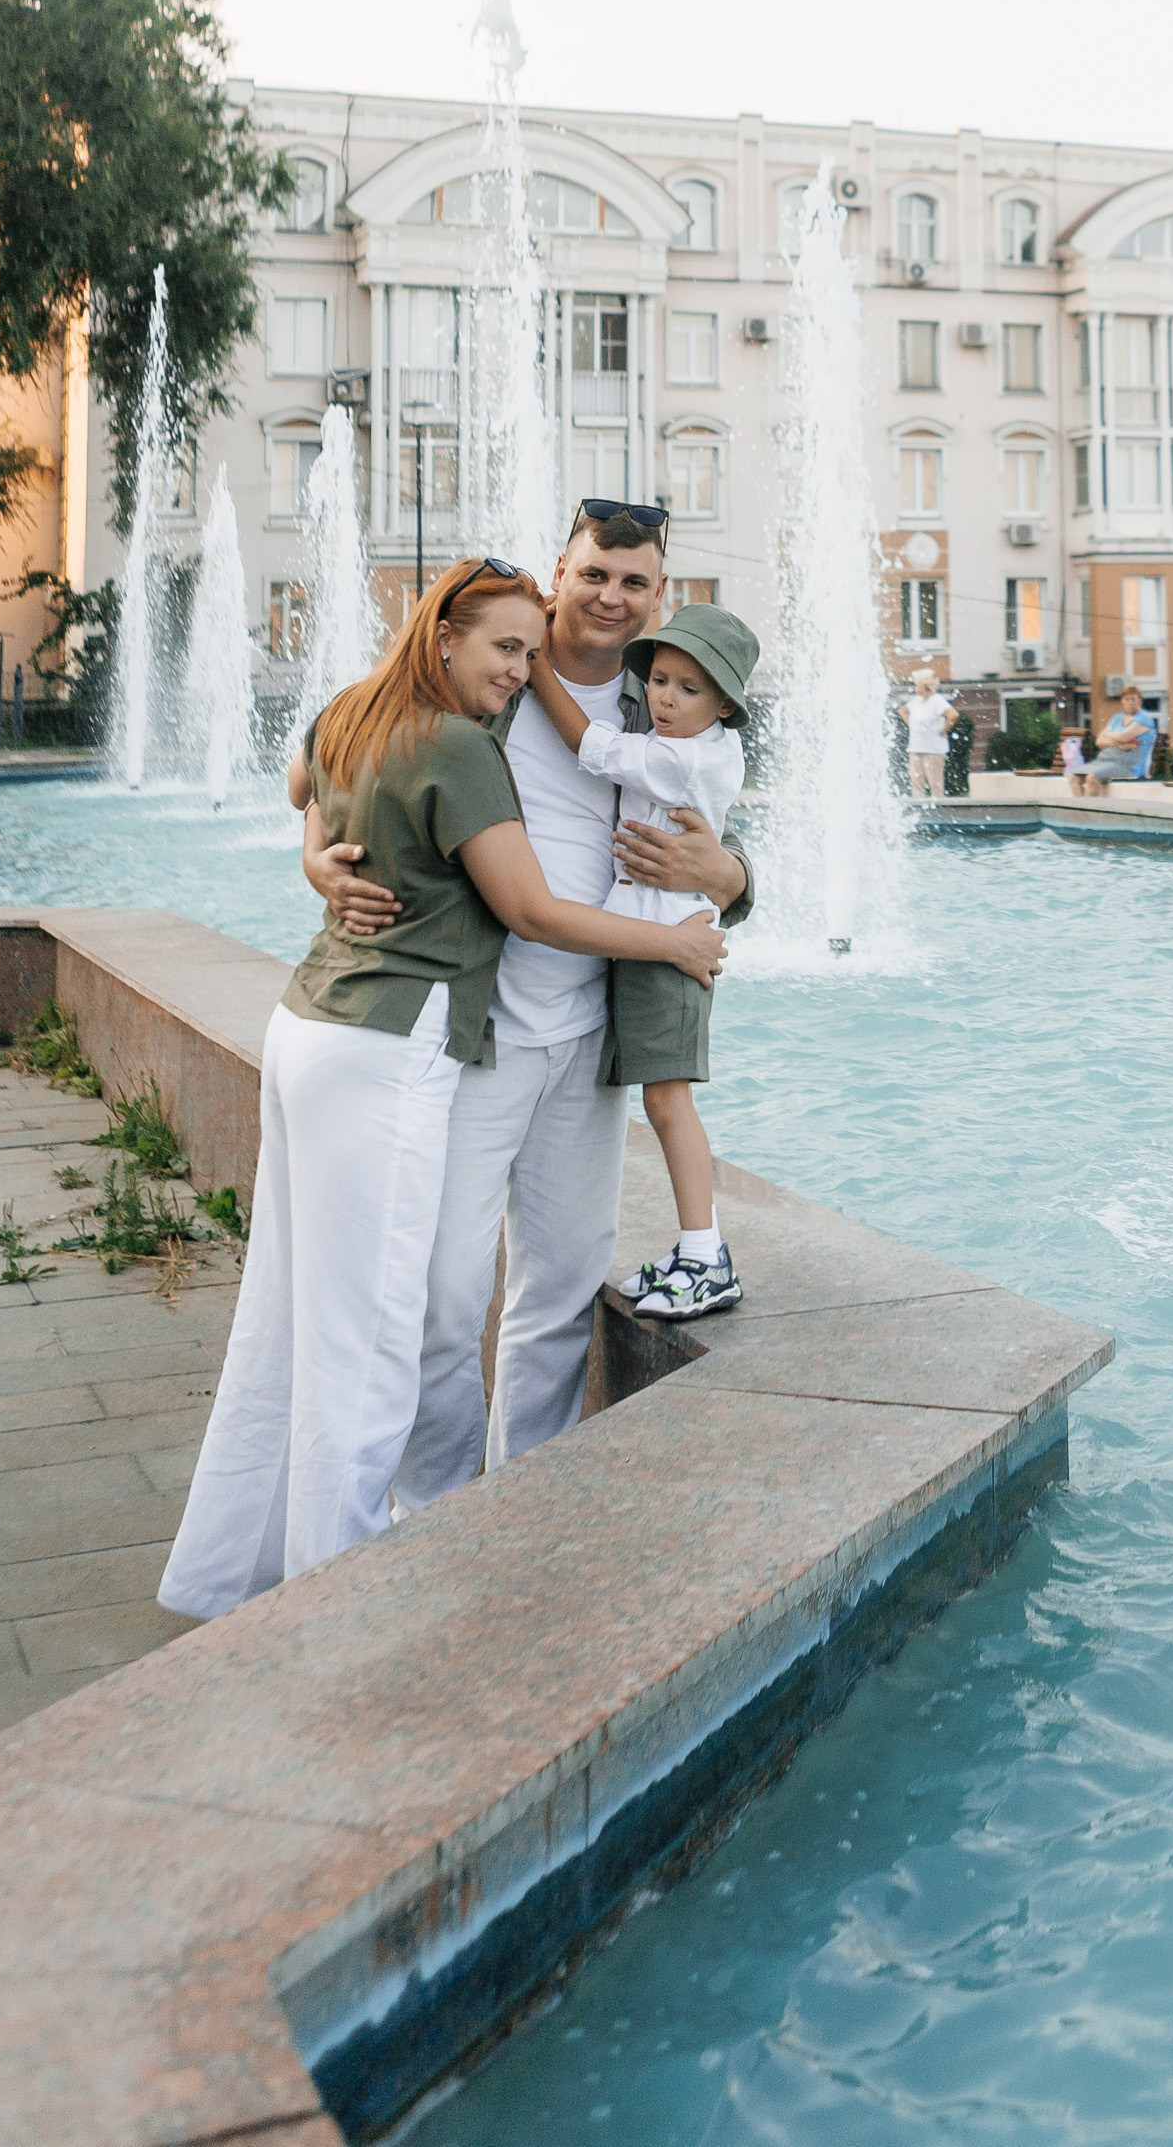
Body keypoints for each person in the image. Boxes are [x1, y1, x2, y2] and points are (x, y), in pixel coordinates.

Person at [159, 556, 723, 1620]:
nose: (519, 667)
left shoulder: (363, 708)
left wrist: (320, 849)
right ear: (450, 635)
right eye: (506, 646)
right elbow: (530, 911)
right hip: (409, 1037)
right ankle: (358, 1581)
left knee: (300, 1314)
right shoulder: (464, 737)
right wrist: (676, 949)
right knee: (386, 1318)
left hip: (323, 1023)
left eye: (636, 582)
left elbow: (303, 783)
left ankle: (246, 1569)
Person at [307, 502, 751, 1508]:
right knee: (444, 1296)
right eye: (595, 573)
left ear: (659, 597)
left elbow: (713, 852)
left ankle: (521, 1505)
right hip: (477, 1034)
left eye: (635, 582)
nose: (611, 597)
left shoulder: (663, 703)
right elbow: (328, 762)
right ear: (562, 571)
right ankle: (433, 1509)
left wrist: (728, 874)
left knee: (558, 1287)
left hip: (590, 1035)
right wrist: (313, 857)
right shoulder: (491, 675)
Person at [528, 603, 757, 1322]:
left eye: (688, 688)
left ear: (722, 704)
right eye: (659, 679)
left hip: (669, 946)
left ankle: (706, 1256)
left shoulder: (680, 756)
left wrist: (535, 664)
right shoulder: (694, 743)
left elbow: (588, 744)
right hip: (649, 937)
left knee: (667, 1101)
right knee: (659, 1101)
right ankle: (694, 1247)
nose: (663, 697)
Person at [1071, 683, 1157, 794]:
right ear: (1122, 701)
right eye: (1126, 699)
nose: (1130, 702)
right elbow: (1099, 741)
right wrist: (1117, 742)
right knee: (1074, 778)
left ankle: (1091, 809)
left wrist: (1110, 736)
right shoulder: (1117, 718)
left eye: (1133, 699)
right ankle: (1079, 809)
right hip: (1103, 761)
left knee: (1092, 778)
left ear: (1140, 701)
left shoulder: (1144, 718)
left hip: (1128, 766)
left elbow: (1122, 737)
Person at [903, 663, 957, 797]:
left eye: (917, 684)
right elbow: (902, 711)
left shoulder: (937, 701)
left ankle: (939, 812)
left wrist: (945, 730)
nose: (916, 687)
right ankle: (918, 812)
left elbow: (953, 715)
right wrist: (910, 724)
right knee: (916, 784)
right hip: (915, 749)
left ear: (926, 685)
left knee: (935, 784)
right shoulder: (916, 701)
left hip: (933, 750)